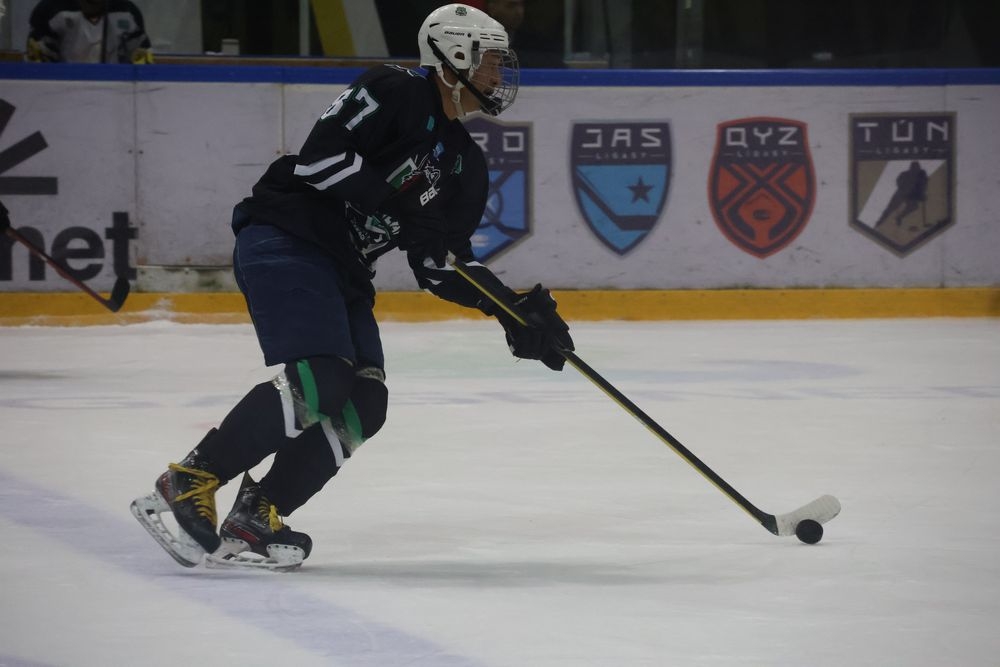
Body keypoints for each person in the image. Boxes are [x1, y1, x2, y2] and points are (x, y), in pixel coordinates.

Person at [131, 3, 573, 570]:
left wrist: (510, 308)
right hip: (289, 235)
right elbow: (321, 160)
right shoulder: (395, 90)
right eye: (489, 60)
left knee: (365, 401)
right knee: (324, 377)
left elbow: (440, 265)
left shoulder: (466, 164)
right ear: (454, 55)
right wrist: (397, 205)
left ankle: (258, 514)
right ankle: (190, 479)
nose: (497, 74)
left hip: (345, 268)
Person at [26, 0, 153, 64]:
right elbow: (39, 68)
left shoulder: (127, 12)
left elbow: (141, 62)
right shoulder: (50, 10)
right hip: (62, 92)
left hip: (115, 92)